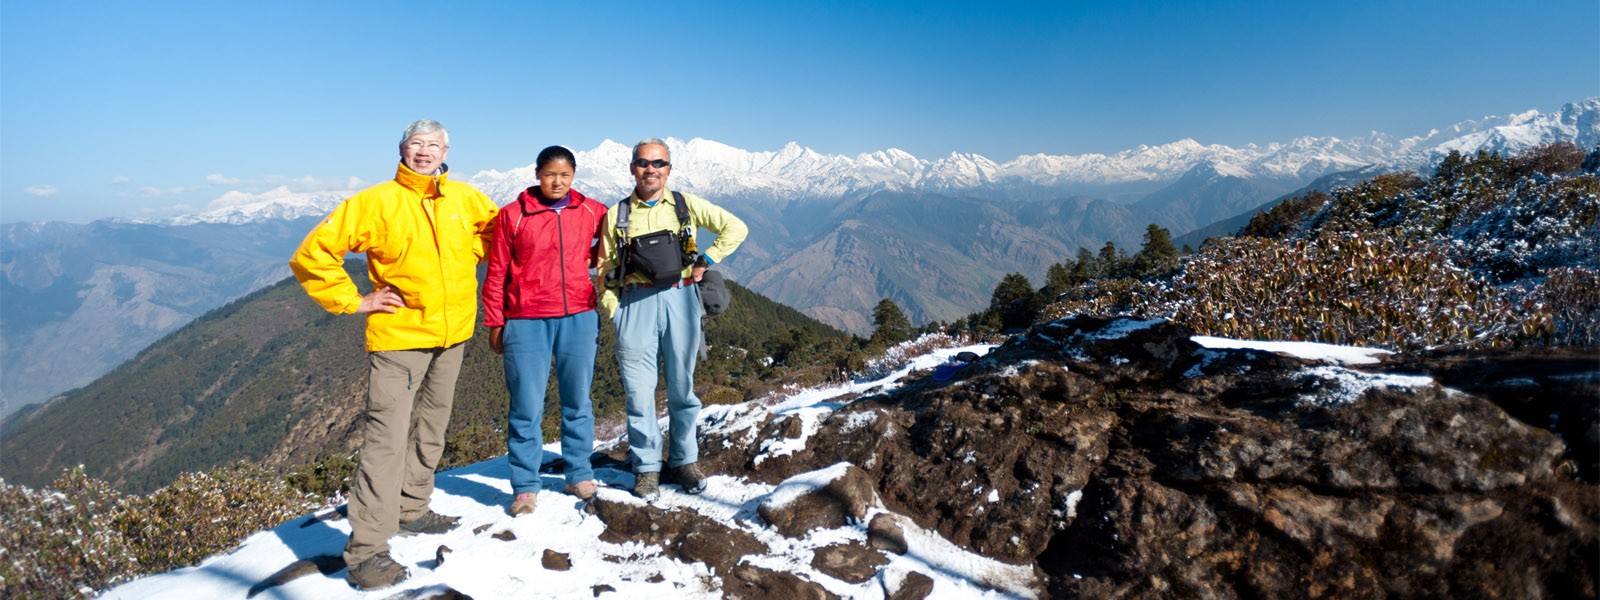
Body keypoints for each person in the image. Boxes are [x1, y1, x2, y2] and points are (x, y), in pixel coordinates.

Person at [288, 119, 498, 591]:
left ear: (447, 150)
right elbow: (313, 253)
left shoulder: (466, 198)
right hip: (399, 337)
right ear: (402, 149)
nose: (424, 152)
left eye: (433, 145)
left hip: (454, 333)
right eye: (416, 144)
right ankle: (366, 551)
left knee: (432, 427)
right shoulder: (375, 202)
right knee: (385, 441)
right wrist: (354, 300)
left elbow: (497, 237)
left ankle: (412, 508)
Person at [598, 138, 747, 502]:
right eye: (643, 163)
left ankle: (684, 461)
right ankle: (647, 467)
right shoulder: (616, 214)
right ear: (632, 167)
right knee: (638, 391)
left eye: (658, 163)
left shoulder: (684, 205)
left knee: (683, 387)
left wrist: (706, 261)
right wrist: (614, 310)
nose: (651, 169)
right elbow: (604, 267)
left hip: (681, 298)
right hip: (635, 303)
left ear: (669, 168)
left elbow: (735, 228)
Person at [481, 145, 607, 516]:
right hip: (525, 318)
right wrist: (495, 321)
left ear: (574, 176)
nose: (557, 181)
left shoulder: (592, 211)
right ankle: (524, 486)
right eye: (551, 174)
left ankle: (579, 473)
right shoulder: (513, 215)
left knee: (578, 400)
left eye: (565, 175)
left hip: (579, 315)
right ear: (537, 174)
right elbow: (497, 272)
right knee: (525, 405)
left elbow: (614, 248)